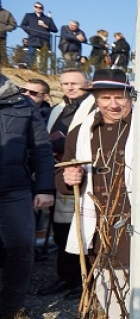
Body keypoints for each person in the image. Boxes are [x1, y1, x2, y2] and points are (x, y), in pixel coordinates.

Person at [56, 68, 140, 318]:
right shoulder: (80, 133)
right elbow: (63, 174)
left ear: (130, 96)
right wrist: (68, 178)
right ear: (95, 98)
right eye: (106, 98)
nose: (113, 105)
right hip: (98, 232)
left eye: (120, 97)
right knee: (111, 298)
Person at [0, 60, 55, 319]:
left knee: (22, 245)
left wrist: (45, 187)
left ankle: (12, 305)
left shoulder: (23, 104)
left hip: (15, 189)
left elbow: (42, 149)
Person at [37, 68, 95, 300]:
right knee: (60, 230)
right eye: (64, 84)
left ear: (87, 84)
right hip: (58, 174)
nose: (69, 87)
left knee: (83, 231)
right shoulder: (57, 110)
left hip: (83, 174)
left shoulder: (93, 107)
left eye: (75, 83)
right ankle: (67, 276)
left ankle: (86, 279)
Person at [19, 2, 57, 68]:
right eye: (36, 7)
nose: (38, 8)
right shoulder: (29, 16)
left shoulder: (48, 19)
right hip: (33, 39)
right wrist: (30, 32)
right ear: (34, 8)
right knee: (30, 56)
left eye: (40, 7)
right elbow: (23, 25)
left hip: (44, 41)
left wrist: (45, 26)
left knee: (43, 59)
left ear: (43, 9)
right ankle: (29, 69)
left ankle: (42, 71)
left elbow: (55, 29)